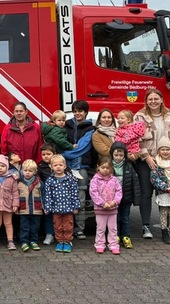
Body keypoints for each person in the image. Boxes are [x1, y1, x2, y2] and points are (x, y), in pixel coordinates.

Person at [133, 88, 170, 239]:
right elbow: (136, 140)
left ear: (162, 99)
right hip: (147, 161)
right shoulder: (139, 117)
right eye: (150, 99)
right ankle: (146, 226)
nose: (153, 102)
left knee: (167, 192)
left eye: (156, 99)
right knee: (146, 193)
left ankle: (168, 227)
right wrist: (147, 158)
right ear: (146, 101)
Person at [62, 100, 96, 240]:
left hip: (82, 167)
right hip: (66, 168)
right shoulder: (65, 125)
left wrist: (64, 154)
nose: (77, 113)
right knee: (65, 200)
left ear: (86, 112)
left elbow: (82, 148)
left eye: (80, 111)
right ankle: (67, 228)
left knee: (80, 201)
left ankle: (79, 229)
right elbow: (59, 143)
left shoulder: (90, 129)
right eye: (75, 111)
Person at [43, 155, 80, 253]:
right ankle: (60, 241)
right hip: (56, 209)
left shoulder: (71, 179)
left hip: (68, 209)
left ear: (65, 166)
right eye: (55, 165)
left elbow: (75, 194)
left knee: (68, 226)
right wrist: (47, 207)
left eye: (60, 165)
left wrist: (76, 206)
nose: (58, 167)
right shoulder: (50, 180)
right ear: (51, 167)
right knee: (57, 226)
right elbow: (48, 195)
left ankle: (67, 242)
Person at [110, 142, 140, 249]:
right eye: (116, 155)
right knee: (115, 218)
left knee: (125, 217)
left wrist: (136, 199)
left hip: (126, 197)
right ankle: (116, 236)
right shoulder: (109, 166)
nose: (118, 157)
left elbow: (135, 182)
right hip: (113, 199)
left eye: (121, 155)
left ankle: (126, 236)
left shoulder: (128, 166)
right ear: (112, 154)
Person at [89, 157, 122, 255]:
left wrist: (115, 202)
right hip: (100, 209)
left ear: (111, 169)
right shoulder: (95, 180)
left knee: (113, 228)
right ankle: (99, 244)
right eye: (103, 167)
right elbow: (93, 193)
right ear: (98, 167)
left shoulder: (115, 180)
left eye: (108, 168)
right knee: (101, 228)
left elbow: (119, 191)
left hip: (113, 208)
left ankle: (113, 245)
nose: (105, 170)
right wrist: (102, 203)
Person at [0, 155, 20, 251]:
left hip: (8, 203)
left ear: (7, 167)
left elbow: (15, 192)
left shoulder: (12, 178)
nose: (0, 168)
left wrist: (15, 204)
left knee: (8, 223)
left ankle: (10, 241)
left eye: (3, 166)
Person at [18, 159, 43, 252]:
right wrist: (16, 206)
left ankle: (34, 241)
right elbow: (16, 195)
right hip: (24, 208)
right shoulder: (19, 182)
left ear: (35, 172)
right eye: (25, 170)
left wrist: (44, 207)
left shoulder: (39, 183)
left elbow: (43, 195)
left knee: (35, 226)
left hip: (36, 209)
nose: (27, 173)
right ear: (22, 171)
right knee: (24, 226)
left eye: (30, 171)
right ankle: (24, 242)